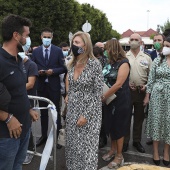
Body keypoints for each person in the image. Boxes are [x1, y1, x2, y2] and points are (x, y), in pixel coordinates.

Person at [0, 14, 38, 170]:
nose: (28, 39)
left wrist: (28, 108)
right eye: (26, 35)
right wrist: (8, 118)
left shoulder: (19, 59)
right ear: (16, 35)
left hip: (24, 127)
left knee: (18, 166)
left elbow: (18, 89)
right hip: (6, 134)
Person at [65, 31, 103, 170]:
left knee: (87, 150)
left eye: (77, 43)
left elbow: (97, 93)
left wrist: (86, 115)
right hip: (73, 110)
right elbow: (69, 81)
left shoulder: (94, 65)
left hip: (90, 112)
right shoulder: (71, 63)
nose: (73, 45)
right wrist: (68, 94)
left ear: (85, 46)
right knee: (73, 147)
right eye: (72, 43)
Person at [32, 28, 67, 149]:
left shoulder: (58, 51)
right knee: (43, 113)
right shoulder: (36, 52)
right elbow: (32, 66)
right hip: (41, 86)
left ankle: (57, 138)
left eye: (49, 37)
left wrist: (53, 71)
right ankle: (44, 136)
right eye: (45, 37)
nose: (47, 39)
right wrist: (39, 71)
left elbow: (63, 68)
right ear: (41, 37)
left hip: (54, 86)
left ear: (52, 38)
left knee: (55, 112)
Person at [101, 39, 131, 169]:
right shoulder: (109, 63)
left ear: (112, 49)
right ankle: (112, 150)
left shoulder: (124, 63)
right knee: (111, 126)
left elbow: (119, 84)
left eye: (106, 49)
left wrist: (103, 96)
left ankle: (119, 156)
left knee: (119, 127)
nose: (105, 52)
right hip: (108, 101)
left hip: (120, 101)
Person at [123, 33, 152, 153]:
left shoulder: (147, 58)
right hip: (127, 92)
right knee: (125, 118)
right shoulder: (124, 56)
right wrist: (126, 84)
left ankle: (136, 141)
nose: (134, 41)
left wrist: (147, 92)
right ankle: (124, 142)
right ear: (129, 42)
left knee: (139, 119)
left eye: (136, 39)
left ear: (141, 42)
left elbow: (151, 77)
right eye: (132, 39)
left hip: (141, 91)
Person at [144, 35, 170, 166]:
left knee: (168, 124)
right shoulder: (157, 60)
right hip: (157, 95)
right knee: (156, 122)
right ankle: (155, 152)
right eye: (164, 45)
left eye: (168, 46)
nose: (165, 48)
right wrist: (147, 96)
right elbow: (151, 80)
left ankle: (166, 152)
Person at [18, 53, 38, 164]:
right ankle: (21, 150)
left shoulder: (31, 65)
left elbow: (30, 84)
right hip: (16, 99)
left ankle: (30, 150)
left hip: (28, 99)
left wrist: (14, 87)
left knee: (26, 126)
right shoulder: (14, 63)